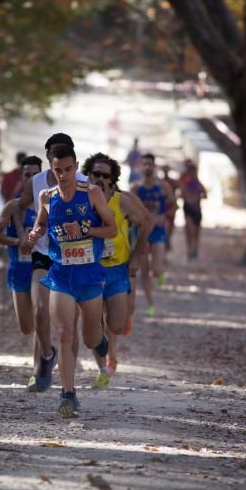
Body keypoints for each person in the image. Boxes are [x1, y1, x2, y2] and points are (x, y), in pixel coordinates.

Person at [24, 144, 117, 417]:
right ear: (51, 170)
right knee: (65, 334)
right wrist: (34, 234)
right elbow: (41, 223)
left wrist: (84, 229)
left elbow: (111, 229)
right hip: (61, 274)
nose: (63, 175)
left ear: (76, 166)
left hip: (89, 275)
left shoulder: (93, 193)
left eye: (68, 169)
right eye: (58, 170)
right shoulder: (46, 196)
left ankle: (100, 339)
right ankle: (68, 394)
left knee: (89, 339)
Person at [14, 133, 88, 393]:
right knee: (39, 310)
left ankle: (69, 377)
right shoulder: (36, 183)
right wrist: (24, 234)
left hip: (73, 257)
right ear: (48, 158)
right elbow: (19, 206)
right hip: (43, 253)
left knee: (70, 323)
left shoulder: (84, 183)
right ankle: (47, 355)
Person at [82, 153, 151, 386]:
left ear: (112, 179)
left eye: (105, 175)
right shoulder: (80, 199)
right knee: (95, 323)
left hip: (117, 269)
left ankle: (114, 332)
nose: (100, 179)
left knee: (117, 325)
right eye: (95, 174)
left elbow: (146, 222)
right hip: (90, 269)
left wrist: (136, 255)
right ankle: (103, 369)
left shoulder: (123, 201)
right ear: (87, 175)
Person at [0, 156, 42, 337]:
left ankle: (43, 355)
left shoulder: (51, 205)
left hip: (43, 268)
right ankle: (42, 347)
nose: (32, 179)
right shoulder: (13, 206)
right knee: (27, 328)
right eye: (28, 175)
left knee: (42, 317)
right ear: (22, 178)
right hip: (19, 268)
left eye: (36, 175)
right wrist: (16, 242)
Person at [131, 153, 175, 316]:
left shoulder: (163, 187)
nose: (147, 166)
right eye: (145, 164)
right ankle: (151, 304)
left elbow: (173, 206)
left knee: (155, 269)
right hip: (142, 233)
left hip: (158, 232)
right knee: (144, 270)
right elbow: (129, 210)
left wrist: (164, 216)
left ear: (154, 166)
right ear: (141, 167)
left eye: (150, 164)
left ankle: (160, 273)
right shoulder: (136, 188)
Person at [179, 160, 207, 260]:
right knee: (189, 230)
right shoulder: (184, 182)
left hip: (197, 209)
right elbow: (181, 194)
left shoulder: (198, 183)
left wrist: (198, 197)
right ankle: (189, 251)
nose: (192, 173)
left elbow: (205, 194)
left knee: (196, 232)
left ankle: (195, 249)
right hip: (188, 209)